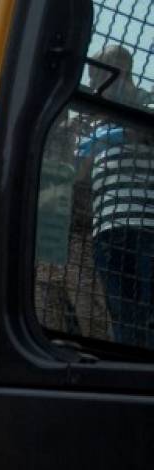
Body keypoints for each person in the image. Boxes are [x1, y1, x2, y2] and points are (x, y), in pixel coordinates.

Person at [79, 46, 154, 348]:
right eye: (95, 77)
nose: (98, 84)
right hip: (107, 229)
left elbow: (143, 133)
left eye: (103, 74)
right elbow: (81, 173)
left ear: (124, 71)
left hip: (147, 223)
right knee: (122, 313)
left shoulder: (146, 104)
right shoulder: (93, 122)